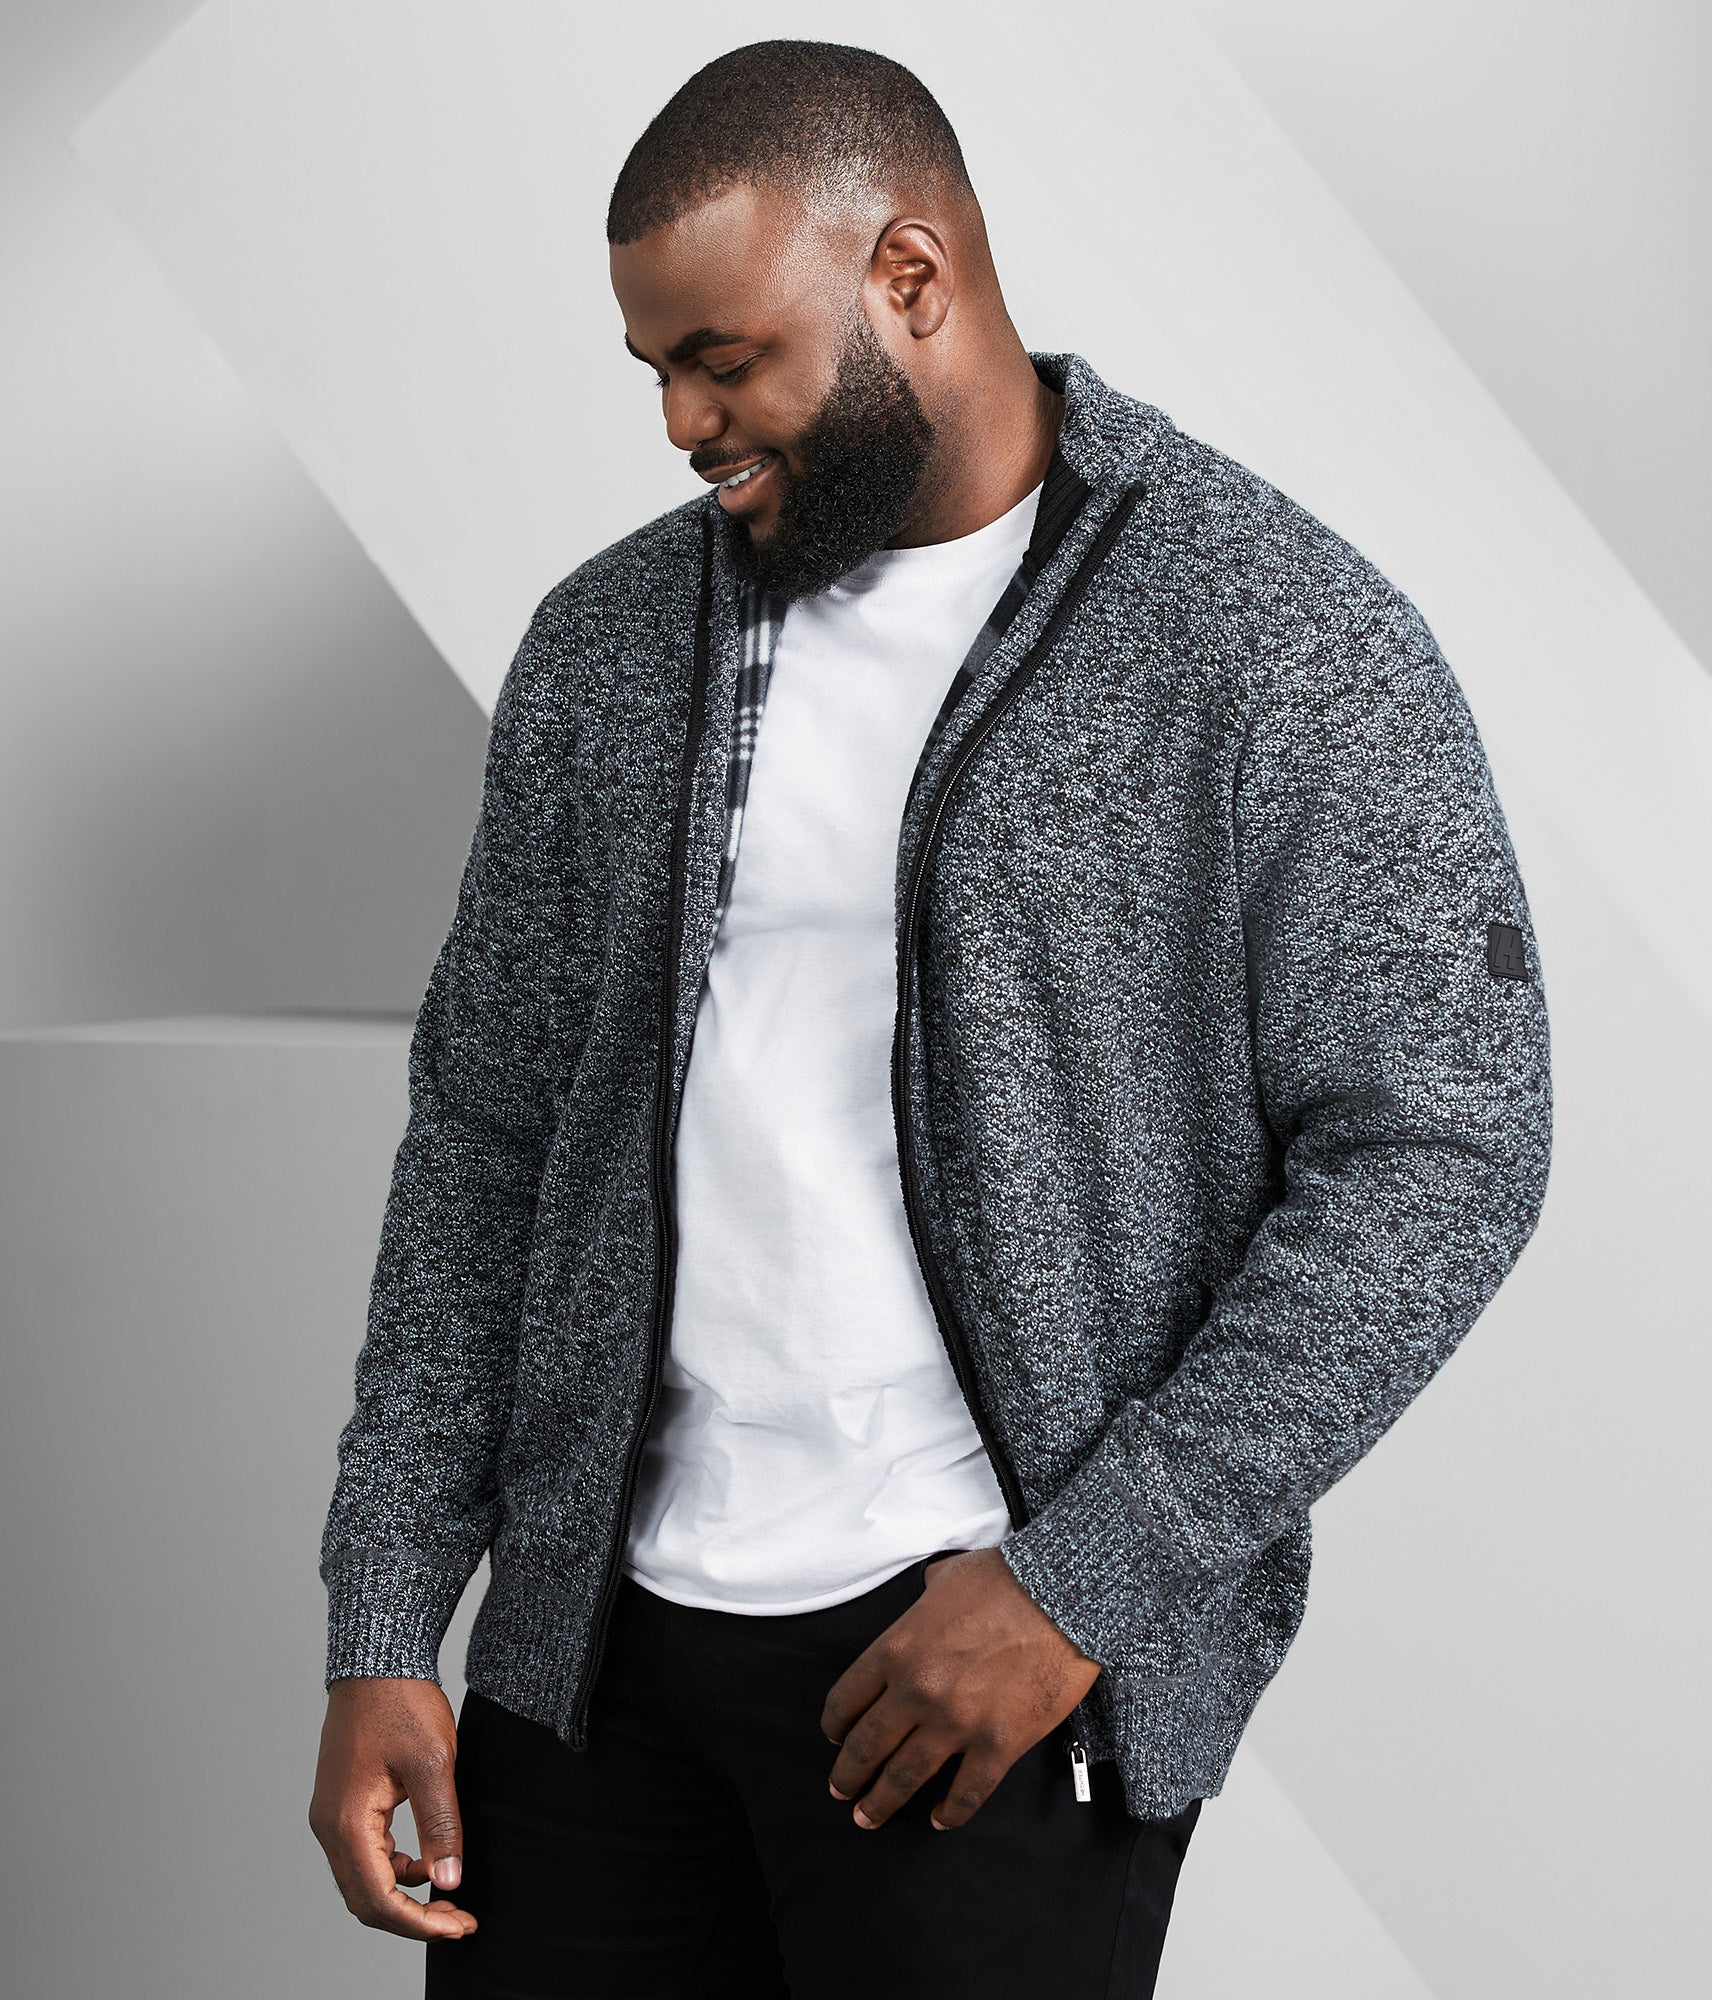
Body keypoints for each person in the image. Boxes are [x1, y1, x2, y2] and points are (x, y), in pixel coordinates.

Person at [308, 39, 1553, 1999]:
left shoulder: (1269, 635)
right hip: (594, 1653)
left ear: (910, 274)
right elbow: (486, 1129)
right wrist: (388, 1615)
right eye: (652, 368)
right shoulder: (609, 647)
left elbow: (1446, 1141)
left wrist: (1084, 1580)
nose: (681, 422)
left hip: (975, 1662)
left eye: (724, 358)